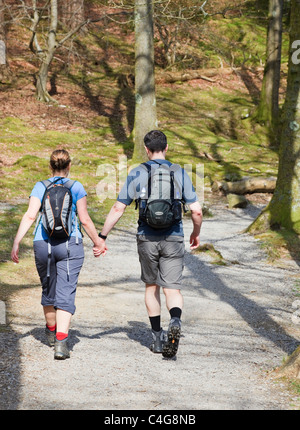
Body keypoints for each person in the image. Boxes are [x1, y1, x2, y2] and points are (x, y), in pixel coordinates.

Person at [94, 130, 202, 358]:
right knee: (172, 288)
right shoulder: (179, 172)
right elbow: (197, 210)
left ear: (146, 149)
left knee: (151, 286)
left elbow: (118, 208)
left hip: (146, 237)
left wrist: (102, 237)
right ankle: (175, 320)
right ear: (167, 147)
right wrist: (195, 233)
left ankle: (157, 338)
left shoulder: (138, 172)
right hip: (173, 236)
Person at [11, 149, 106, 360]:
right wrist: (98, 241)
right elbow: (85, 220)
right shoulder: (76, 186)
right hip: (70, 244)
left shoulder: (40, 186)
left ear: (50, 167)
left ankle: (51, 330)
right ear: (69, 166)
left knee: (48, 288)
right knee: (66, 291)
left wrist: (17, 241)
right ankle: (61, 345)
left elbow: (30, 215)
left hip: (42, 243)